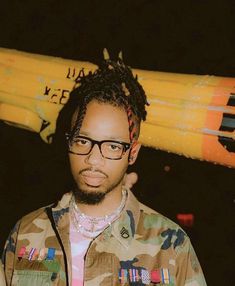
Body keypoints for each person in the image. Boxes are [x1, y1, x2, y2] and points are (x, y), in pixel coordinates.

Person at [1, 57, 207, 286]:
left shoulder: (170, 246)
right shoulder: (26, 233)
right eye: (82, 141)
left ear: (133, 153)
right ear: (68, 142)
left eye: (113, 146)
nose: (93, 158)